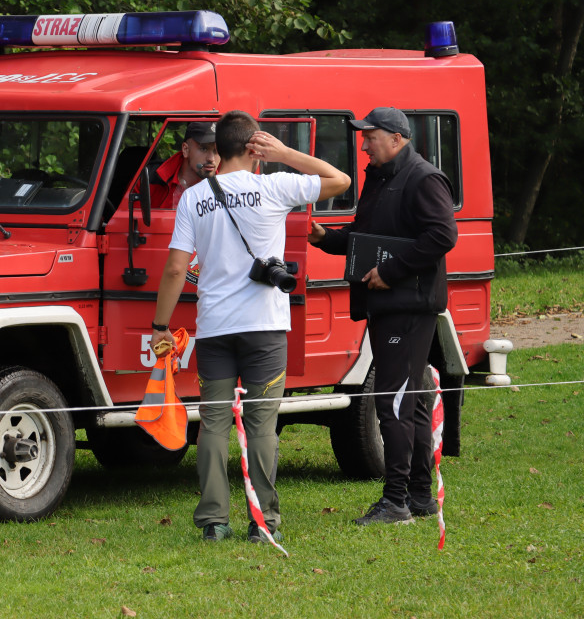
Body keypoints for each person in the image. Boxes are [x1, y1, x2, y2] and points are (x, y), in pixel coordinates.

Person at [150, 110, 350, 542]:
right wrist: (286, 153)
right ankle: (262, 523)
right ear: (254, 149)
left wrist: (160, 325)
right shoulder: (273, 186)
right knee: (261, 425)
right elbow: (340, 181)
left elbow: (174, 269)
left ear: (217, 150)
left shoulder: (193, 198)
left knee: (213, 423)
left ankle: (213, 522)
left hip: (216, 327)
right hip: (264, 328)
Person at [308, 107, 457, 525]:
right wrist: (325, 239)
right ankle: (421, 496)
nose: (363, 144)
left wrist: (391, 273)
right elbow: (365, 238)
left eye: (369, 136)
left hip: (408, 308)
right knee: (414, 399)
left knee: (391, 401)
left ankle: (395, 503)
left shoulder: (424, 178)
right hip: (387, 308)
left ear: (395, 138)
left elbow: (443, 235)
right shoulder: (380, 177)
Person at [150, 121, 220, 208]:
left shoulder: (227, 187)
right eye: (204, 149)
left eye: (217, 151)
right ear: (185, 149)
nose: (211, 159)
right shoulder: (151, 180)